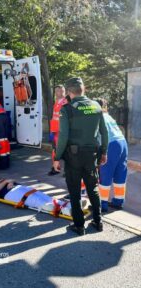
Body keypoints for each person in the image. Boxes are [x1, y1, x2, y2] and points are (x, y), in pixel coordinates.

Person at [53, 77, 108, 235]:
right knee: (93, 188)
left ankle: (79, 225)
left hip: (74, 156)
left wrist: (57, 158)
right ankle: (98, 222)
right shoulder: (96, 106)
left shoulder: (67, 109)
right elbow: (104, 132)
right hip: (92, 155)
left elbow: (63, 136)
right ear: (83, 90)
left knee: (75, 191)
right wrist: (104, 152)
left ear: (69, 92)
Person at [0, 176, 87, 217]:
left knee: (45, 197)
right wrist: (6, 182)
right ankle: (66, 210)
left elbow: (10, 181)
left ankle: (72, 205)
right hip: (11, 194)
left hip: (20, 188)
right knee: (37, 201)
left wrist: (10, 181)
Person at [96, 99, 128, 212]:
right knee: (120, 172)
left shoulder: (98, 116)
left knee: (106, 173)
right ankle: (118, 201)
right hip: (122, 143)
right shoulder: (108, 116)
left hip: (112, 145)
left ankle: (102, 203)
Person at [48, 85, 68, 175]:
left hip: (62, 131)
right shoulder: (56, 102)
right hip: (55, 131)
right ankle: (56, 168)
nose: (57, 93)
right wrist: (51, 131)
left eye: (60, 91)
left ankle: (68, 171)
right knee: (54, 150)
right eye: (57, 91)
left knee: (66, 151)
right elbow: (54, 117)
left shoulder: (66, 101)